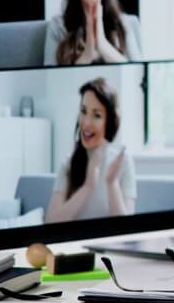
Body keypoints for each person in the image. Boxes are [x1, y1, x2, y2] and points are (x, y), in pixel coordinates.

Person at [45, 78, 136, 222]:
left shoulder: (123, 161)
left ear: (110, 122)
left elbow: (128, 230)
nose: (86, 123)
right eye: (83, 111)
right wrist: (87, 187)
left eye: (97, 115)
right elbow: (50, 222)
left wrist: (112, 183)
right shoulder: (69, 162)